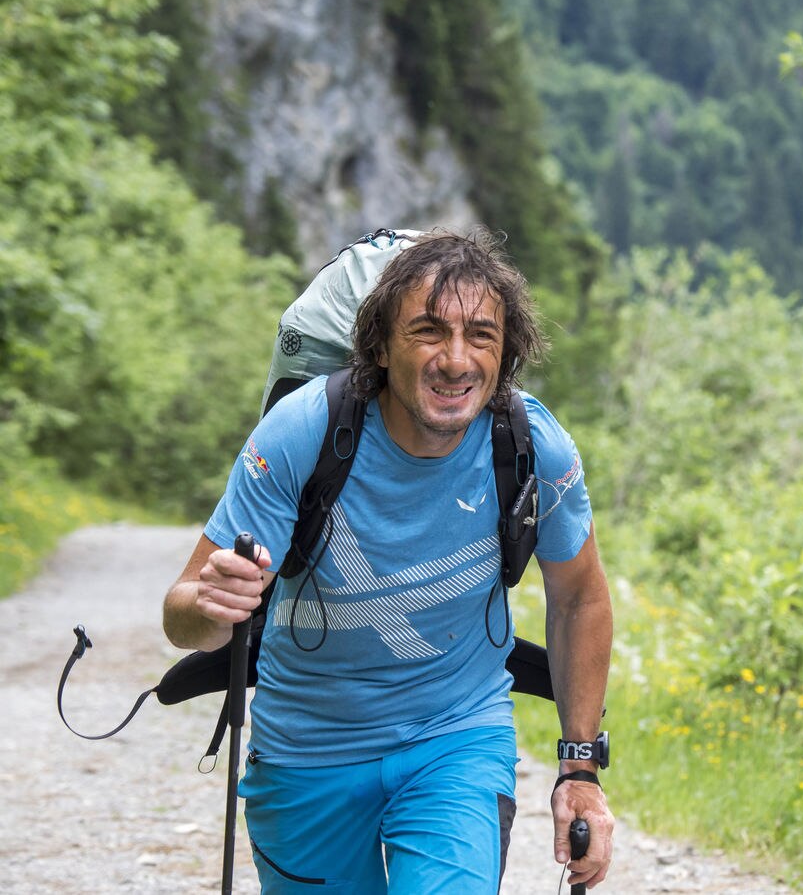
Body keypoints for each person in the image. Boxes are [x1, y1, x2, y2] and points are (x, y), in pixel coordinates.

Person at [163, 228, 614, 893]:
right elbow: (182, 615)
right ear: (379, 346)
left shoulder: (530, 447)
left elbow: (580, 597)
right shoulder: (300, 434)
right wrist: (209, 608)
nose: (456, 360)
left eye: (481, 336)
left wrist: (579, 772)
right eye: (429, 331)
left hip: (455, 743)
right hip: (305, 754)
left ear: (505, 353)